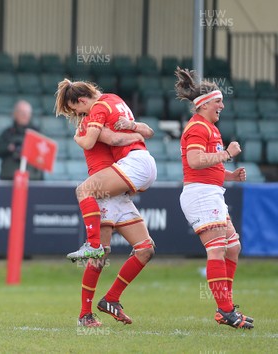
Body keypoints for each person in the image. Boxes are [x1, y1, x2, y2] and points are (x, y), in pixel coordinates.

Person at [175, 67, 253, 329]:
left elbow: (208, 166)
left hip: (211, 192)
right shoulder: (197, 127)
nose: (222, 105)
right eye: (218, 101)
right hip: (201, 196)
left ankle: (225, 309)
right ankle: (226, 309)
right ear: (204, 103)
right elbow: (195, 161)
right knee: (217, 249)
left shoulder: (209, 128)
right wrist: (228, 155)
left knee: (233, 248)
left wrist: (229, 175)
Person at [66, 116, 155, 327]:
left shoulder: (103, 119)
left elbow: (146, 132)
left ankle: (111, 298)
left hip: (119, 191)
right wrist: (136, 133)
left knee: (146, 249)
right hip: (105, 192)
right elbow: (115, 140)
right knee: (101, 253)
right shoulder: (91, 123)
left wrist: (134, 128)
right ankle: (84, 314)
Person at [55, 79, 157, 260]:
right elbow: (149, 132)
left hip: (131, 165)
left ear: (82, 101)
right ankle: (100, 262)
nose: (77, 113)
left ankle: (92, 245)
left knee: (84, 191)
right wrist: (136, 132)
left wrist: (77, 138)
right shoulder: (114, 99)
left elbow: (98, 142)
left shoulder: (96, 111)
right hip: (144, 162)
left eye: (75, 108)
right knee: (145, 250)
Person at [0, 100, 44, 180]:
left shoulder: (37, 133)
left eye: (27, 113)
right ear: (15, 114)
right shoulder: (8, 133)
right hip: (9, 178)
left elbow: (45, 156)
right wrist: (9, 147)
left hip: (33, 178)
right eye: (22, 112)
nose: (25, 115)